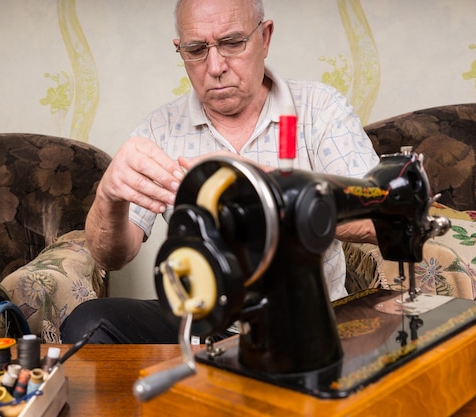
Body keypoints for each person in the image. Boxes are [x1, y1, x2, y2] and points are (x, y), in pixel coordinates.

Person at [60, 0, 379, 343]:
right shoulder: (159, 130)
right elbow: (114, 256)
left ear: (265, 37)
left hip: (305, 318)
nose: (215, 67)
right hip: (202, 319)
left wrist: (281, 194)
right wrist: (109, 198)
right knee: (88, 323)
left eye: (232, 43)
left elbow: (380, 216)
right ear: (180, 50)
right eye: (196, 49)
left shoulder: (320, 109)